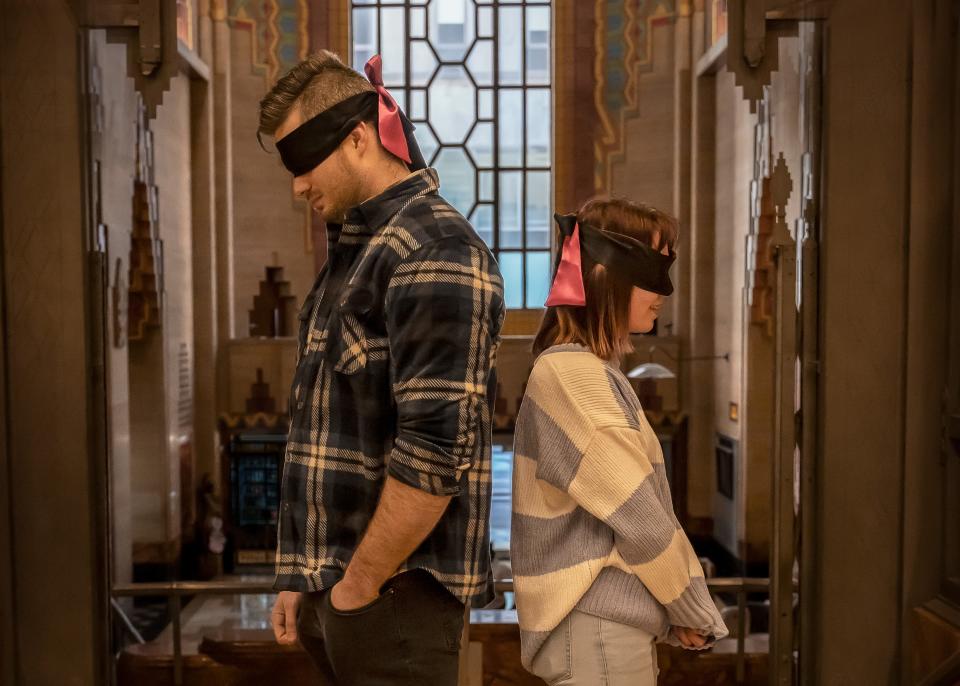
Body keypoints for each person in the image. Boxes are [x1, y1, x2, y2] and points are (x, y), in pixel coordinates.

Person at [259, 50, 505, 685]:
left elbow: (433, 452)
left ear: (358, 138)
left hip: (393, 597)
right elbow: (323, 428)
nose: (296, 185)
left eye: (303, 162)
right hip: (345, 589)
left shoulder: (435, 249)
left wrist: (357, 587)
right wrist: (305, 576)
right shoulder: (359, 249)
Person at [511, 198, 728, 685]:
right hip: (598, 631)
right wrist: (692, 607)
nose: (663, 291)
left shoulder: (583, 371)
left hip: (601, 630)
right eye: (651, 270)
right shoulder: (574, 376)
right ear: (606, 274)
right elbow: (640, 516)